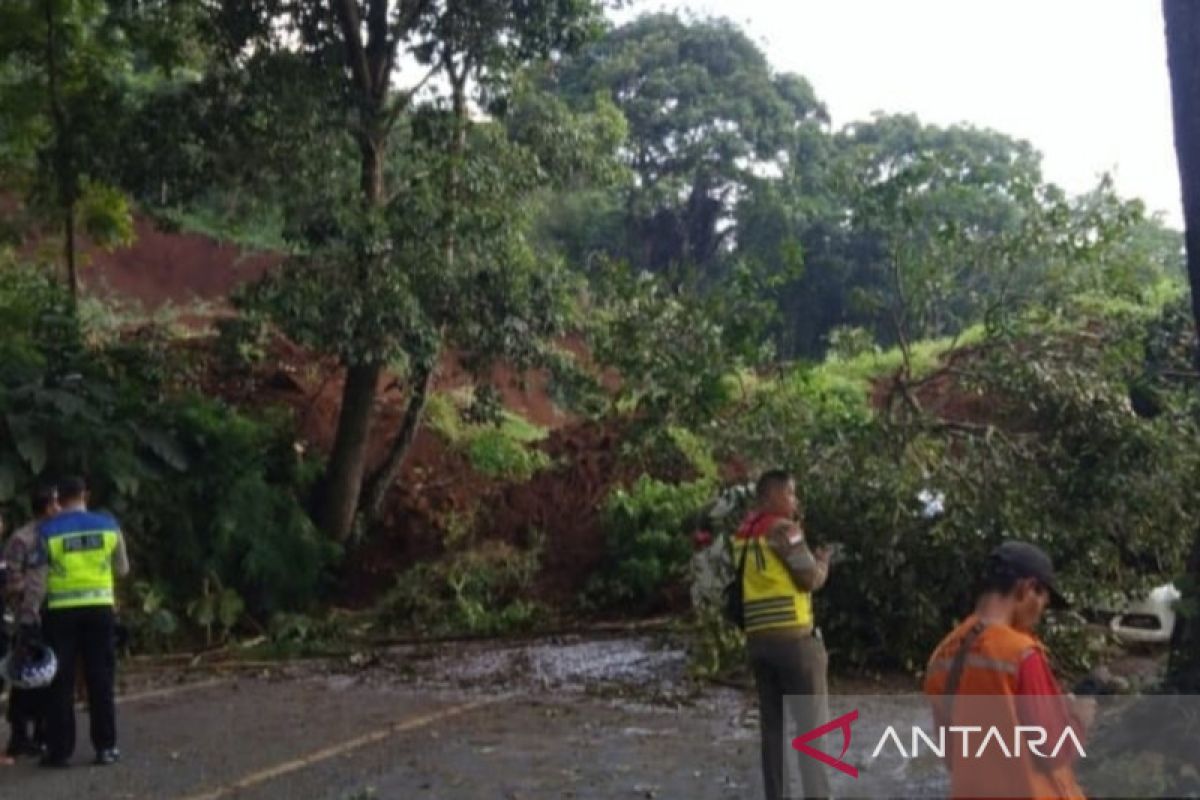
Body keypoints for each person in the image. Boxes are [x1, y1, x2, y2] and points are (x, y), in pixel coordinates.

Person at [923, 541, 1095, 800]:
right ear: (1026, 588)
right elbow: (1055, 751)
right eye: (1042, 597)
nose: (1041, 609)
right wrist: (1080, 718)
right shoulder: (1020, 653)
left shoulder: (943, 654)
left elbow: (951, 756)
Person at [735, 469, 833, 800]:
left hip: (759, 643)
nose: (795, 500)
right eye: (791, 493)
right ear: (774, 495)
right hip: (795, 644)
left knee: (772, 730)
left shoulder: (745, 533)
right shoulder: (783, 531)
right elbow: (808, 578)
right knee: (813, 731)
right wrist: (823, 563)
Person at [39, 476, 129, 768]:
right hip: (99, 609)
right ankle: (106, 747)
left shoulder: (48, 530)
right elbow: (123, 569)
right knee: (100, 677)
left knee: (60, 680)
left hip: (60, 611)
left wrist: (29, 614)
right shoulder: (108, 525)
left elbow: (38, 578)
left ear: (59, 499)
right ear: (85, 496)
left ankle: (60, 751)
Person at [3, 485, 58, 759]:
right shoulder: (21, 539)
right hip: (28, 618)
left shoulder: (58, 536)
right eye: (56, 504)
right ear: (47, 507)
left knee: (50, 677)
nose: (59, 509)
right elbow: (12, 580)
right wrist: (28, 601)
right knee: (25, 678)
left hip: (56, 614)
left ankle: (43, 733)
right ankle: (19, 736)